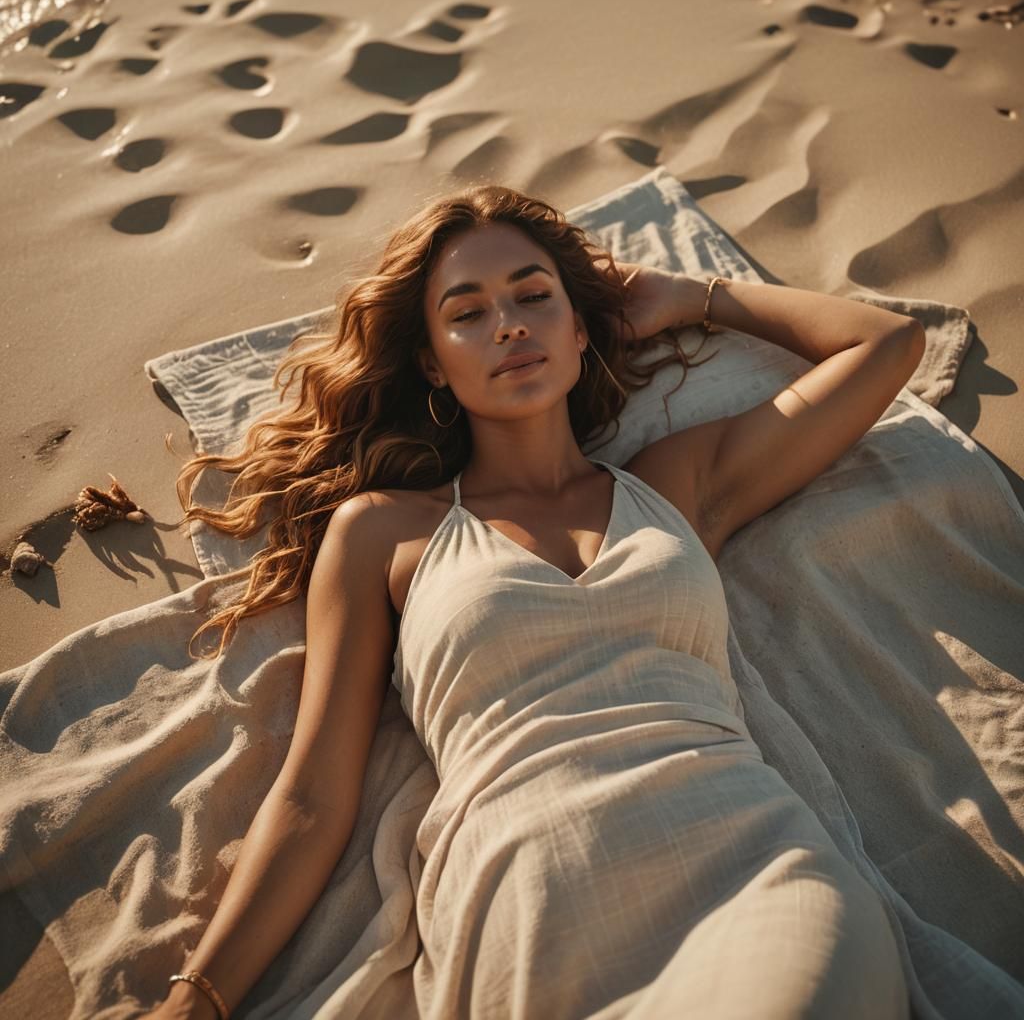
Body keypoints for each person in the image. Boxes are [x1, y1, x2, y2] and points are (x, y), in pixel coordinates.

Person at [145, 183, 925, 1019]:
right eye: (468, 312)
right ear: (432, 361)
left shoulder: (679, 484)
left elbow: (886, 344)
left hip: (753, 862)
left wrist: (690, 297)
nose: (510, 324)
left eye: (533, 296)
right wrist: (198, 999)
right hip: (522, 894)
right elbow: (312, 796)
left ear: (579, 328)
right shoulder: (382, 531)